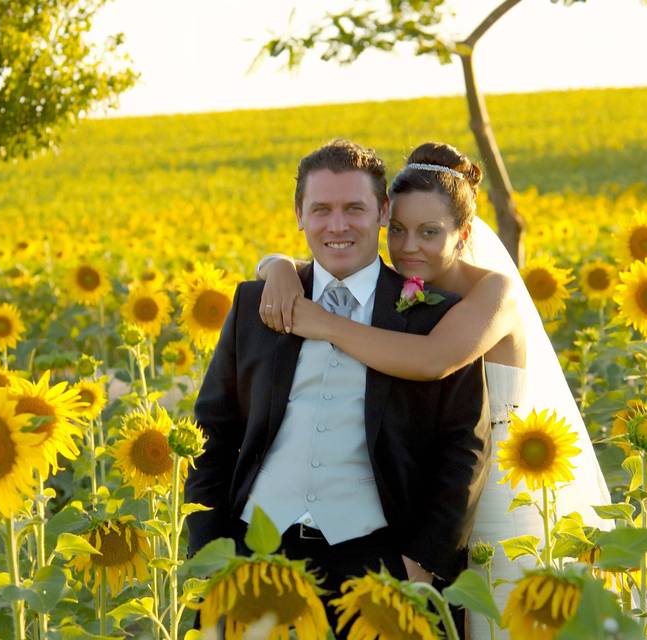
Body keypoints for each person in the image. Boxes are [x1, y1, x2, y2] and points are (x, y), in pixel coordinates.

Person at [257, 141, 613, 639]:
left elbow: (433, 361)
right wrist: (275, 266)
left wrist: (323, 324)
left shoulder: (494, 291)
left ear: (462, 234)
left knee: (503, 619)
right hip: (428, 491)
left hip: (500, 489)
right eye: (397, 230)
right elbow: (318, 261)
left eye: (429, 232)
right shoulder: (412, 290)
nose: (408, 248)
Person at [184, 139, 490, 634]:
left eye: (354, 208)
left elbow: (465, 448)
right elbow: (211, 433)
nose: (338, 225)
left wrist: (418, 566)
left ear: (384, 212)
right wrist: (209, 555)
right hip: (255, 555)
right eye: (321, 209)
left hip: (381, 564)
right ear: (299, 215)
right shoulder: (255, 306)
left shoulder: (435, 315)